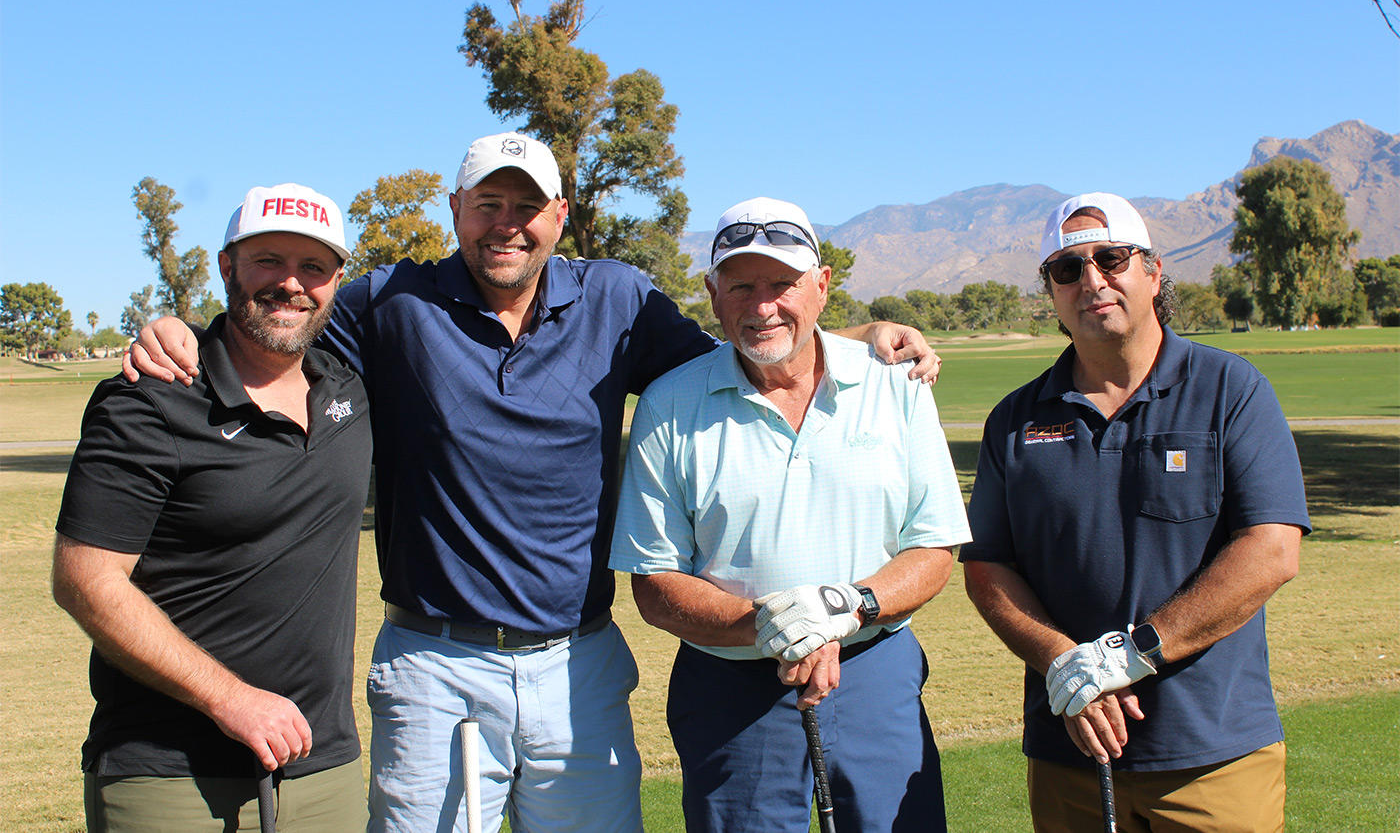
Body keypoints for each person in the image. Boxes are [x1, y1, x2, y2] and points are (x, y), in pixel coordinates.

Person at [125, 134, 940, 833]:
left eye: (526, 206)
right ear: (456, 210)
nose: (506, 225)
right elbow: (274, 322)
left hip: (577, 664)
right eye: (488, 205)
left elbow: (748, 336)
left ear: (558, 215)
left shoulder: (616, 299)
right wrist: (175, 329)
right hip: (434, 662)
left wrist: (865, 338)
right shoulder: (392, 303)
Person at [609, 197, 971, 833]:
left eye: (782, 283)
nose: (763, 304)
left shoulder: (895, 383)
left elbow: (936, 546)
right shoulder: (670, 404)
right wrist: (776, 627)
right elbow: (655, 585)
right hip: (731, 687)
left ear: (822, 286)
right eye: (742, 285)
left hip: (873, 669)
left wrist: (845, 607)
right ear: (712, 293)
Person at [960, 192, 1310, 833]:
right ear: (1053, 292)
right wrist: (1063, 661)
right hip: (1070, 754)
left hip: (1214, 755)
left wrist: (1134, 653)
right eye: (1067, 269)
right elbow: (987, 566)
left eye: (1111, 258)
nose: (1091, 280)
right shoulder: (1016, 418)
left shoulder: (1231, 389)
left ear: (1152, 271)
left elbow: (1272, 549)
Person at [53, 183, 372, 832]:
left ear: (338, 281)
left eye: (312, 267)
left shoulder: (349, 390)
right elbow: (84, 580)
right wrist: (229, 699)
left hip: (325, 770)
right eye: (267, 261)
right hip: (171, 779)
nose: (291, 284)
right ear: (226, 266)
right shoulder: (152, 400)